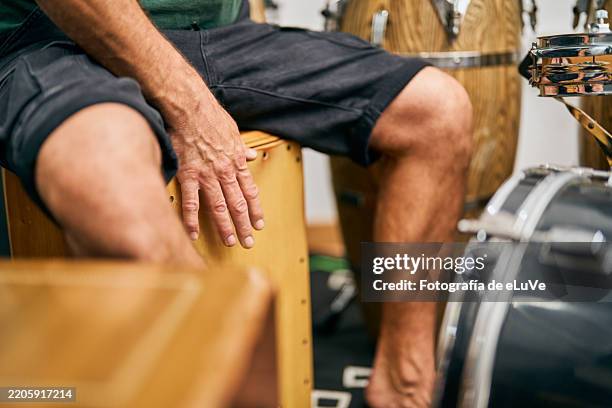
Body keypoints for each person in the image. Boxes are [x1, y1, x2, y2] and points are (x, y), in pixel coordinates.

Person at [0, 0, 473, 405]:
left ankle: (403, 379)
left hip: (218, 33)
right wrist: (186, 104)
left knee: (438, 112)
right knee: (120, 205)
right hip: (60, 38)